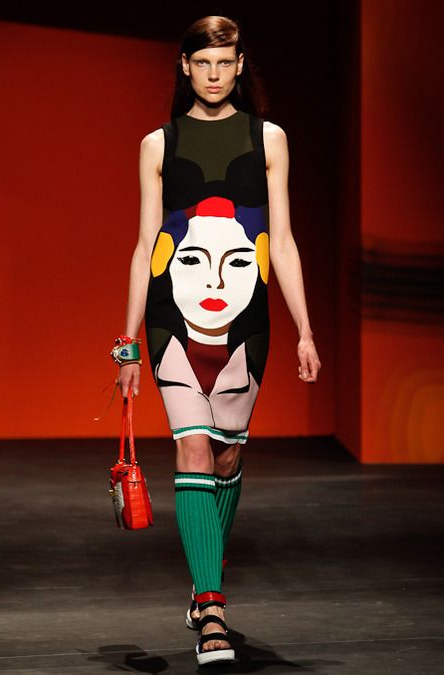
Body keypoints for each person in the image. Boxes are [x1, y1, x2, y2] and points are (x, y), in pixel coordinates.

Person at [113, 15, 321, 667]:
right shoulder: (158, 144)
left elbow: (282, 241)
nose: (213, 74)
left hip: (247, 320)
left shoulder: (268, 139)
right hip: (171, 318)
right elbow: (145, 245)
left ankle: (209, 573)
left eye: (224, 63)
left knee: (227, 458)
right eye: (202, 63)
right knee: (194, 447)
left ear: (239, 66)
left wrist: (305, 329)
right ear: (185, 67)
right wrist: (127, 340)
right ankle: (211, 610)